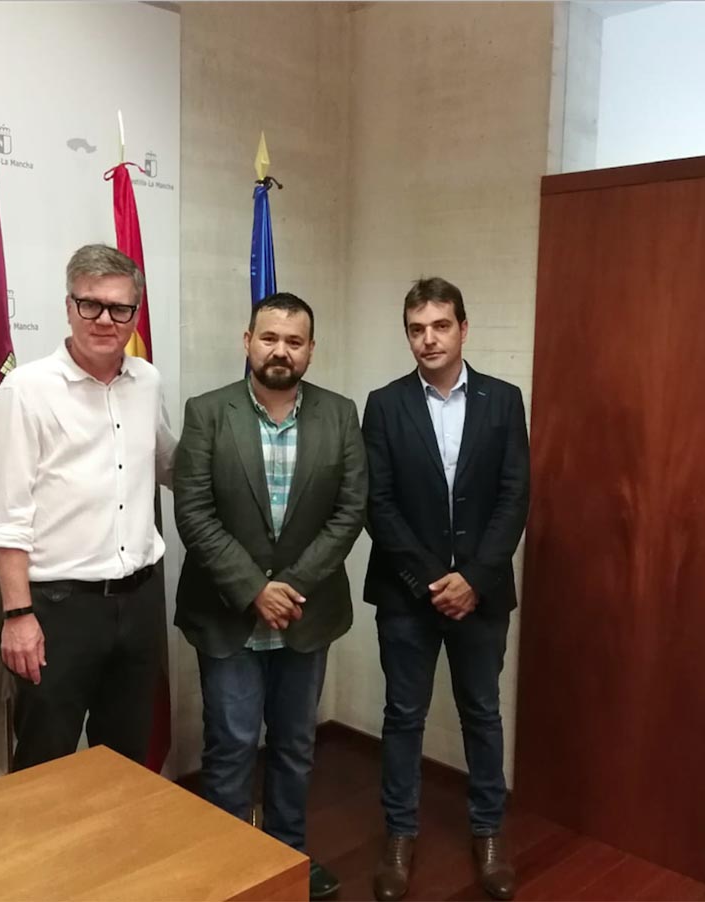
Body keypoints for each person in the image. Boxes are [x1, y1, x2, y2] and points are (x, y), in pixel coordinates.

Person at [174, 292, 367, 900]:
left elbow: (350, 509)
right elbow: (194, 511)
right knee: (229, 747)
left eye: (294, 340)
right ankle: (234, 872)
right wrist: (255, 589)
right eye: (269, 337)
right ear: (247, 340)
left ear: (311, 349)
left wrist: (293, 587)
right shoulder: (208, 412)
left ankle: (287, 861)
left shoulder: (340, 414)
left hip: (306, 616)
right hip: (228, 613)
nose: (280, 350)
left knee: (294, 747)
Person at [362, 277, 530, 901]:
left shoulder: (503, 400)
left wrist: (476, 580)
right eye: (415, 328)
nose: (427, 338)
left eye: (439, 325)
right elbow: (378, 505)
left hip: (481, 597)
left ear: (463, 328)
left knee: (481, 714)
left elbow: (515, 497)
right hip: (409, 596)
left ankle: (488, 831)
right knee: (403, 717)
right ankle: (399, 835)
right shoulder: (384, 404)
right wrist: (436, 579)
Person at [0, 244, 176, 771]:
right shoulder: (25, 391)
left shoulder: (148, 382)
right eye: (91, 305)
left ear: (135, 314)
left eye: (120, 309)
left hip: (138, 606)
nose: (105, 320)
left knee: (128, 762)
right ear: (69, 306)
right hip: (59, 611)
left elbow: (169, 467)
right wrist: (18, 615)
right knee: (46, 765)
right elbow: (7, 519)